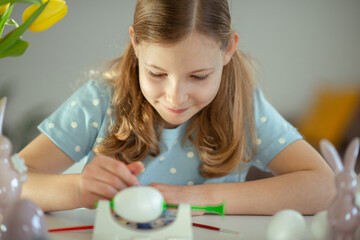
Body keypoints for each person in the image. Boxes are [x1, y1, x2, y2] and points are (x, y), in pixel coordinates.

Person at [20, 0, 335, 214]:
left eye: (198, 76)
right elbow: (12, 181)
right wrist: (78, 189)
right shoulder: (102, 99)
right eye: (157, 74)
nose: (175, 97)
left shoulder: (244, 106)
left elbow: (324, 185)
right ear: (136, 44)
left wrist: (195, 198)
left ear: (228, 49)